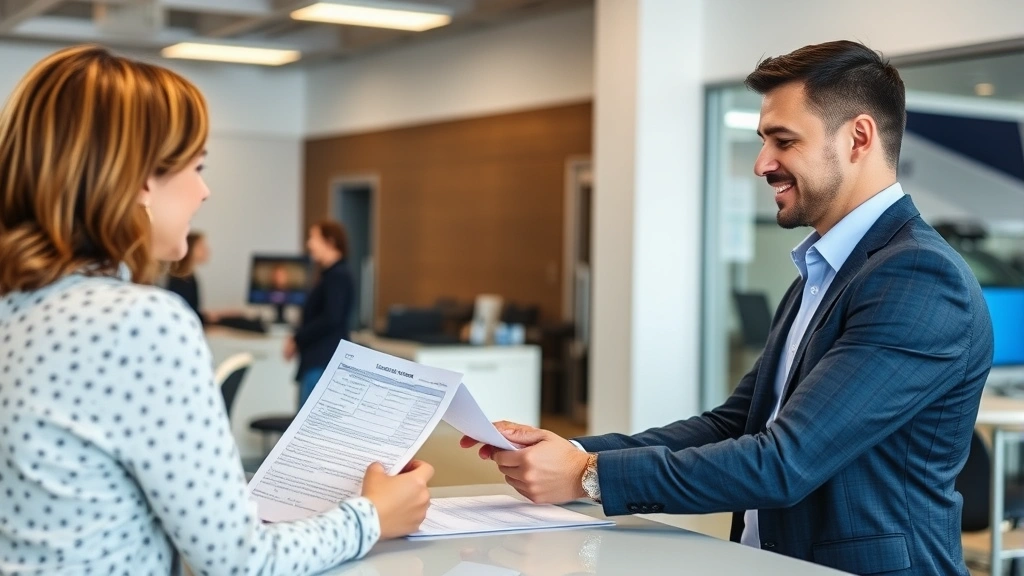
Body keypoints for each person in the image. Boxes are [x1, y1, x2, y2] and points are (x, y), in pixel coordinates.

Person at [462, 40, 994, 575]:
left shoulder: (918, 277)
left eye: (783, 141)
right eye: (763, 141)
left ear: (858, 138)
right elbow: (735, 425)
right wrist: (572, 448)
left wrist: (588, 474)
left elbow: (787, 461)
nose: (763, 164)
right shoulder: (824, 273)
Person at [0, 45, 432, 576]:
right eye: (197, 167)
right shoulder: (139, 322)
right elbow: (236, 560)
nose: (204, 191)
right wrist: (373, 516)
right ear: (138, 179)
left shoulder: (17, 309)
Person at [283, 220, 355, 406]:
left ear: (329, 241)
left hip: (322, 362)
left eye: (313, 238)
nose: (309, 244)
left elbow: (331, 318)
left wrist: (297, 338)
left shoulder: (337, 276)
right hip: (321, 360)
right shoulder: (331, 275)